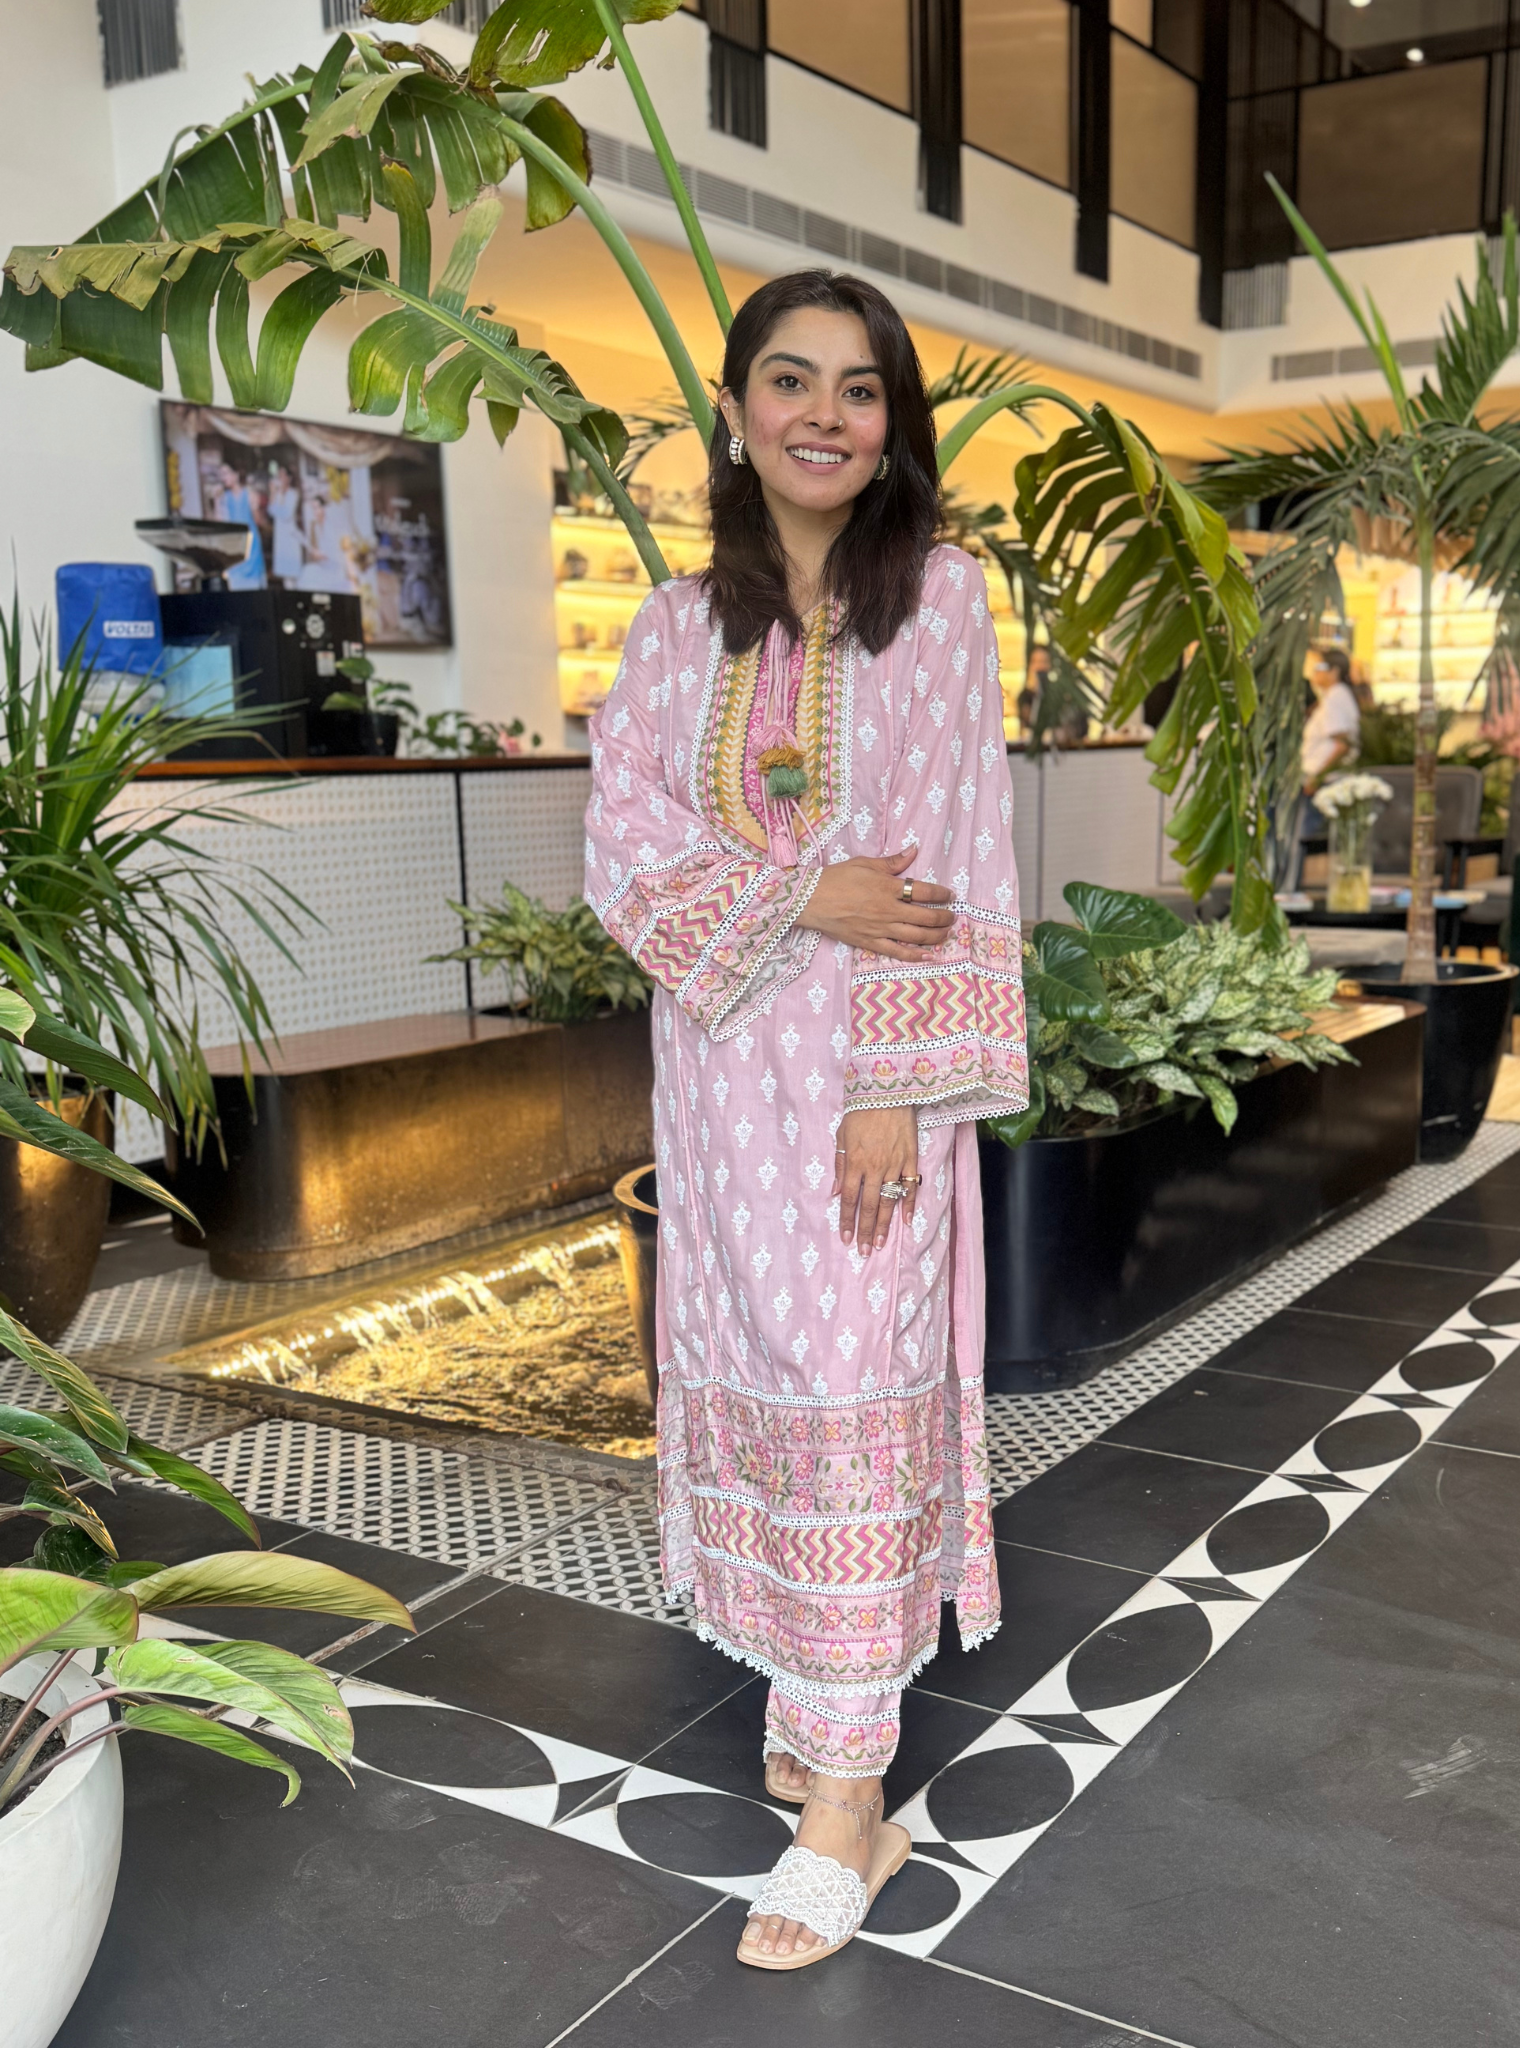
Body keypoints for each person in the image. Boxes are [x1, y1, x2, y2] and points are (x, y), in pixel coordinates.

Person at [585, 271, 1027, 1972]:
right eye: (791, 380)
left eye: (859, 388)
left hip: (861, 1084)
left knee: (853, 1380)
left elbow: (954, 849)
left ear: (892, 424)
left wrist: (893, 1094)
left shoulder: (942, 604)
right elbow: (624, 843)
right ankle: (804, 1687)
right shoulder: (672, 624)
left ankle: (851, 1800)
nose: (823, 415)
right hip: (719, 1080)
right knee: (761, 1365)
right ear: (735, 410)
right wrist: (800, 891)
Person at [1017, 642, 1089, 746]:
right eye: (1035, 662)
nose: (1039, 667)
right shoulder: (1025, 697)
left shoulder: (1063, 696)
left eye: (1044, 661)